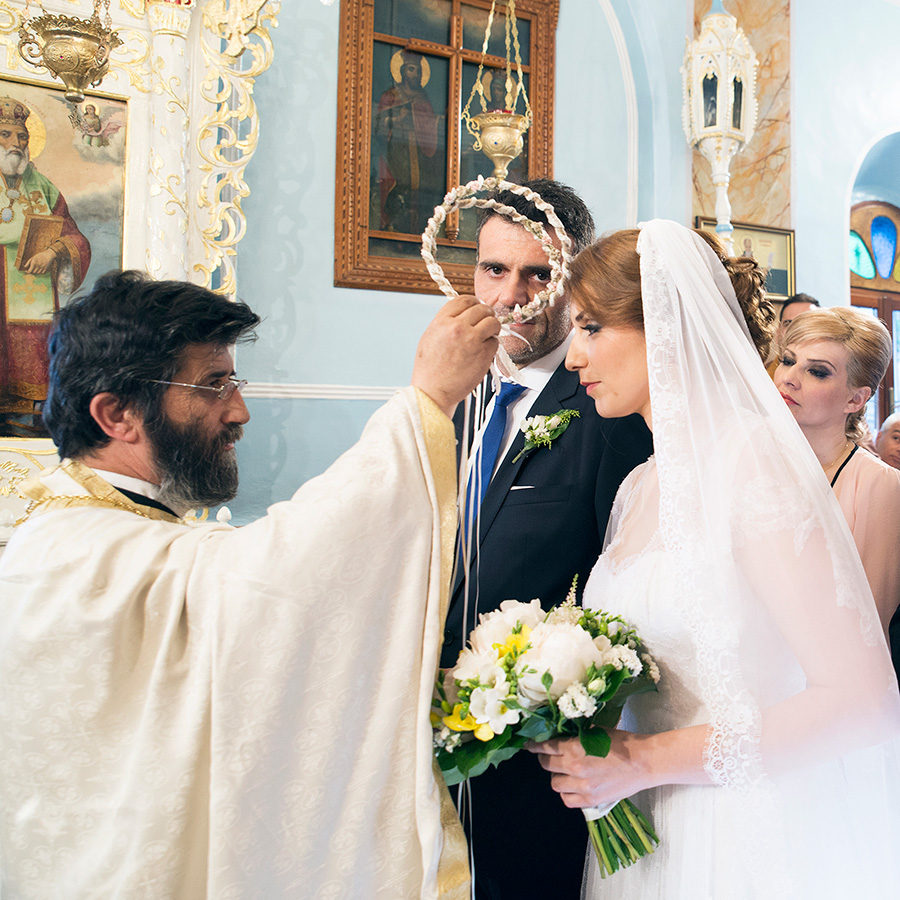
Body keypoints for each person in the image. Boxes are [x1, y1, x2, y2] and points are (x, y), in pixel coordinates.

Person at [0, 270, 500, 898]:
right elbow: (270, 582)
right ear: (117, 414)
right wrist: (426, 402)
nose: (238, 410)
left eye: (233, 381)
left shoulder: (90, 527)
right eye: (211, 386)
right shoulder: (80, 550)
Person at [531, 221, 900, 898]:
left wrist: (643, 759)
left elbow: (862, 702)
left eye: (591, 327)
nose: (573, 357)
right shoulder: (640, 485)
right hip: (650, 832)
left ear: (662, 325)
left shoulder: (751, 462)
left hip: (740, 835)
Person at [440, 179, 653, 899]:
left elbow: (629, 580)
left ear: (573, 280)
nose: (511, 295)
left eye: (539, 273)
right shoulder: (455, 394)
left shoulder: (608, 408)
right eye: (494, 270)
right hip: (438, 735)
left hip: (544, 753)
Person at [773, 306, 900, 633]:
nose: (789, 378)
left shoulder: (880, 485)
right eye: (788, 360)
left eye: (817, 371)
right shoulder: (755, 460)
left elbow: (868, 622)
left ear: (855, 400)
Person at [0, 95, 91, 437]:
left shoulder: (43, 186)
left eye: (21, 137)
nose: (16, 144)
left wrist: (53, 253)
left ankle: (29, 420)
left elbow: (74, 236)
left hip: (32, 293)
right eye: (6, 135)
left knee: (33, 349)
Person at [373, 50, 439, 234]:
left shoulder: (422, 98)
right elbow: (379, 125)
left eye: (418, 71)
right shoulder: (391, 95)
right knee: (397, 186)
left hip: (418, 151)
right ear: (402, 71)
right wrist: (397, 119)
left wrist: (422, 120)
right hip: (396, 149)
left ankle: (418, 231)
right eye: (411, 69)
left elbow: (430, 128)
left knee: (418, 191)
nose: (415, 74)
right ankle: (392, 226)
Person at [765, 292, 820, 378]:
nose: (795, 331)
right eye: (788, 323)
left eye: (806, 324)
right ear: (778, 332)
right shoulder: (758, 376)